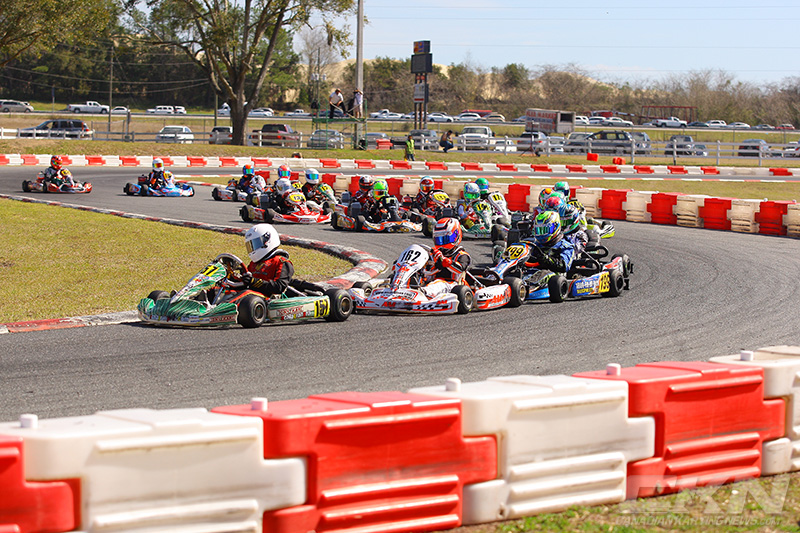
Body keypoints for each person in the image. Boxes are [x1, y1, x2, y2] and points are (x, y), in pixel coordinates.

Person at [241, 224, 294, 298]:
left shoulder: (281, 262)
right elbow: (246, 281)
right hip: (250, 296)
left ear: (267, 241)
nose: (253, 248)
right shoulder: (253, 263)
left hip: (269, 299)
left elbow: (279, 287)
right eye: (251, 245)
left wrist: (254, 281)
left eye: (256, 243)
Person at [427, 218, 471, 283]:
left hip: (452, 285)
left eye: (446, 239)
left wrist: (445, 261)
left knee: (436, 285)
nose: (443, 244)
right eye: (439, 239)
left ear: (456, 236)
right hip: (433, 282)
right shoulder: (434, 254)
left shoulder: (462, 255)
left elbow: (460, 269)